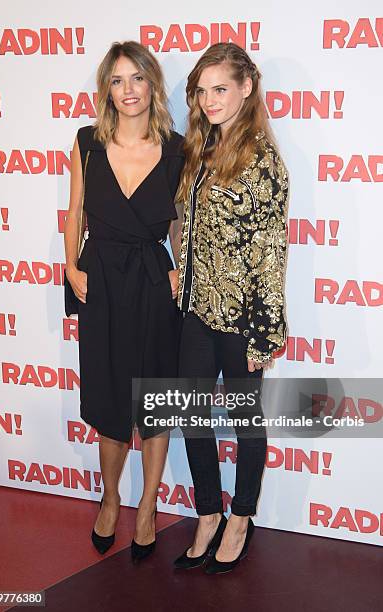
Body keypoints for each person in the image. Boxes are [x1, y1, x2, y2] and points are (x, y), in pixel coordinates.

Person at [64, 41, 184, 562]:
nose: (128, 90)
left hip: (156, 284)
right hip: (103, 282)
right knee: (112, 403)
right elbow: (75, 212)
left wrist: (182, 268)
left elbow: (180, 221)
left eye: (137, 78)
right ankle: (110, 497)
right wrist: (71, 268)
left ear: (152, 84)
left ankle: (149, 504)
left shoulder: (180, 149)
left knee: (156, 402)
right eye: (117, 80)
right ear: (106, 90)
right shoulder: (87, 143)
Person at [173, 43, 289, 574]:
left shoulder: (262, 159)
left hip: (242, 318)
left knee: (245, 420)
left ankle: (241, 516)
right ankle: (207, 513)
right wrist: (180, 271)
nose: (209, 99)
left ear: (247, 87)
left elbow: (271, 252)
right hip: (195, 310)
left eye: (221, 88)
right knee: (193, 415)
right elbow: (187, 224)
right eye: (202, 90)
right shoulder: (199, 147)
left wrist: (265, 332)